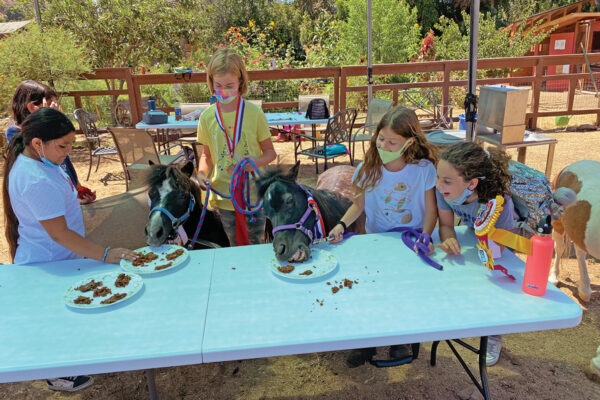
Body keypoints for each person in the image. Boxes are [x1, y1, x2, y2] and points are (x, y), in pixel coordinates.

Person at [2, 108, 137, 392]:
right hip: (50, 259)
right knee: (53, 319)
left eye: (70, 146)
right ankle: (59, 374)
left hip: (57, 256)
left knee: (64, 315)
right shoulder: (35, 178)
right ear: (37, 143)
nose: (67, 152)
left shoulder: (42, 163)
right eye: (62, 146)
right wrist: (105, 253)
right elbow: (59, 234)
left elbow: (56, 210)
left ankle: (70, 361)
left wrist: (73, 200)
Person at [328, 106, 438, 367]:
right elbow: (358, 205)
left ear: (409, 142)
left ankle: (401, 339)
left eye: (392, 142)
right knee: (372, 290)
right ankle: (367, 342)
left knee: (404, 291)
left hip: (410, 242)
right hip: (377, 240)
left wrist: (425, 236)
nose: (384, 145)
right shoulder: (368, 168)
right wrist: (341, 225)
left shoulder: (423, 170)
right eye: (381, 139)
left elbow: (431, 209)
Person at [435, 141, 516, 367]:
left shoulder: (500, 203)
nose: (439, 185)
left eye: (447, 181)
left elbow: (502, 245)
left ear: (472, 183)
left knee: (494, 287)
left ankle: (493, 335)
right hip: (475, 238)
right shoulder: (443, 191)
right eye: (438, 177)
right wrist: (448, 237)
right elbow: (446, 225)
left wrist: (484, 251)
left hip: (500, 245)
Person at [197, 48, 277, 246]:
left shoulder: (254, 113)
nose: (223, 91)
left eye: (229, 85)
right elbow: (206, 155)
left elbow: (270, 153)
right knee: (232, 246)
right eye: (218, 85)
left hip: (253, 195)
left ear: (241, 82)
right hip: (224, 196)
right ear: (211, 83)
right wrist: (201, 173)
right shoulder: (207, 117)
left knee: (256, 245)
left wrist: (256, 162)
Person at [5, 80, 95, 204]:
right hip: (52, 197)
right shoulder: (14, 132)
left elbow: (65, 162)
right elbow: (38, 157)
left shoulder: (53, 129)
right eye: (50, 105)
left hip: (66, 191)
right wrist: (48, 121)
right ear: (32, 107)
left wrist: (78, 187)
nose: (56, 109)